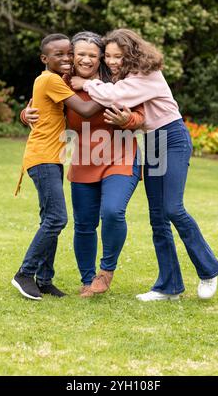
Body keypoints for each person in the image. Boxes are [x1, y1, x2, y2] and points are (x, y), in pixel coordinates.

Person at [71, 28, 218, 301]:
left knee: (173, 208)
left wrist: (85, 84)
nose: (111, 61)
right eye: (107, 56)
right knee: (158, 218)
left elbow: (113, 97)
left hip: (172, 138)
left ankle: (208, 269)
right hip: (152, 141)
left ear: (131, 53)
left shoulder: (146, 74)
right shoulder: (126, 76)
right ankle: (169, 286)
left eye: (117, 56)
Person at [21, 31, 144, 298]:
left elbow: (141, 114)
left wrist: (128, 120)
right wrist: (24, 114)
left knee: (112, 212)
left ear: (100, 57)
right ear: (72, 57)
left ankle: (105, 272)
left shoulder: (118, 81)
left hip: (121, 155)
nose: (86, 60)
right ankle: (88, 279)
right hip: (85, 158)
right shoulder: (63, 82)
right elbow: (40, 107)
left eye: (92, 55)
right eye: (80, 55)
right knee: (84, 224)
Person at [12, 33, 103, 301]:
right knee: (56, 219)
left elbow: (37, 109)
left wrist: (23, 114)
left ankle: (44, 280)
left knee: (49, 218)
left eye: (68, 53)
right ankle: (25, 274)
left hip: (51, 156)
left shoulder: (54, 80)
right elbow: (85, 110)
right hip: (42, 157)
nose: (66, 58)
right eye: (58, 55)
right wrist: (108, 90)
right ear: (44, 59)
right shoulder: (50, 79)